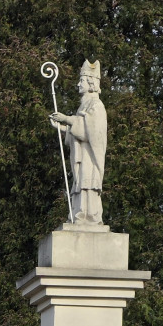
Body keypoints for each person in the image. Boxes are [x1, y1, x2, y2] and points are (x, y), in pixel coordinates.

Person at [49, 59, 107, 225]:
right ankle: (79, 214)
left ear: (90, 83)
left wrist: (67, 119)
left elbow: (92, 132)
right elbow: (80, 131)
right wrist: (62, 127)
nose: (78, 84)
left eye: (81, 80)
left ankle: (89, 215)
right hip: (82, 155)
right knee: (81, 183)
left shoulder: (96, 105)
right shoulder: (83, 106)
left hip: (90, 157)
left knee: (87, 184)